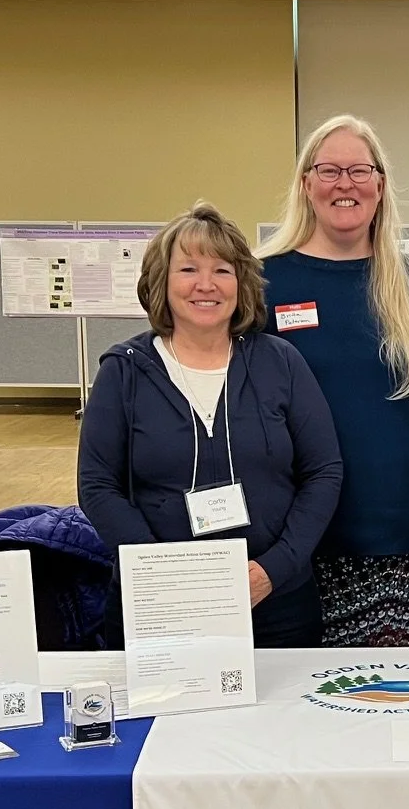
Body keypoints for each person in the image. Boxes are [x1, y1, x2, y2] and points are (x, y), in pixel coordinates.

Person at [77, 202, 343, 649]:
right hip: (160, 604)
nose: (206, 285)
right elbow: (97, 485)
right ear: (161, 282)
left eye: (222, 270)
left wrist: (274, 569)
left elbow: (324, 471)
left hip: (275, 601)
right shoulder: (124, 371)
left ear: (241, 283)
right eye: (188, 270)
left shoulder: (280, 362)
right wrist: (167, 577)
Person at [260, 115, 409, 646]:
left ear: (380, 184)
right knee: (295, 695)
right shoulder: (264, 283)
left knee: (386, 691)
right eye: (329, 170)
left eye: (359, 170)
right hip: (286, 547)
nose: (345, 184)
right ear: (306, 183)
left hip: (392, 543)